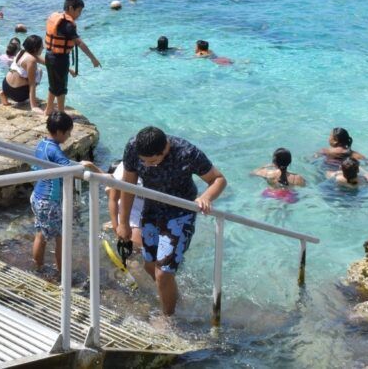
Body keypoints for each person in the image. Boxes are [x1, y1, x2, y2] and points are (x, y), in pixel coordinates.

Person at [115, 126, 227, 316]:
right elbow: (128, 186)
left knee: (163, 272)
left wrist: (206, 197)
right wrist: (123, 223)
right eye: (144, 162)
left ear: (165, 149)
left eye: (152, 162)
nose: (147, 165)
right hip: (151, 211)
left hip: (180, 214)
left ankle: (168, 318)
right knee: (150, 266)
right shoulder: (134, 147)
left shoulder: (187, 152)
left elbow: (218, 179)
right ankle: (173, 295)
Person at [31, 112, 100, 273]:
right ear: (60, 132)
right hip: (49, 201)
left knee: (40, 233)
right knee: (61, 238)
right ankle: (64, 274)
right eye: (68, 132)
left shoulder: (42, 144)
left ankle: (38, 267)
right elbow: (72, 171)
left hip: (37, 196)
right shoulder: (55, 151)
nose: (69, 136)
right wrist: (85, 166)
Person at [44, 0, 100, 115]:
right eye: (79, 11)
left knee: (53, 84)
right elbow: (79, 43)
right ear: (70, 8)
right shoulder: (67, 25)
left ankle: (49, 109)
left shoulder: (58, 17)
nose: (79, 14)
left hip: (49, 55)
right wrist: (93, 59)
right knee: (61, 88)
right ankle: (61, 113)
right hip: (59, 58)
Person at [0, 35, 45, 112]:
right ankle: (29, 101)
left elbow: (46, 62)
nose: (43, 48)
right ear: (35, 49)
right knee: (39, 72)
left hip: (5, 86)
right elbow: (32, 84)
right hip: (17, 94)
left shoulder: (21, 52)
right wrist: (34, 106)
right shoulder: (31, 60)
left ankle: (4, 94)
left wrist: (67, 69)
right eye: (41, 47)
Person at [107, 160, 144, 254]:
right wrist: (117, 227)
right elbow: (113, 199)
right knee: (135, 250)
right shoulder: (126, 165)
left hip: (150, 214)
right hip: (131, 214)